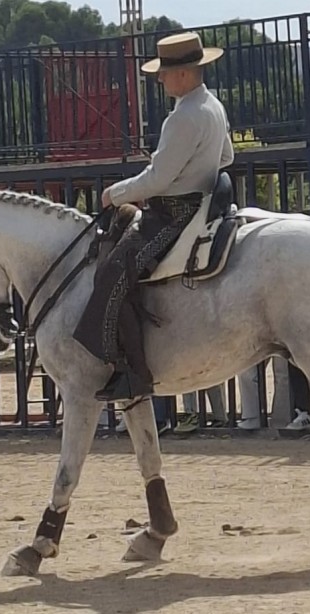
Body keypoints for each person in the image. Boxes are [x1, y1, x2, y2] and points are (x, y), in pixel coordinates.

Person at [74, 32, 233, 402]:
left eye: (164, 72)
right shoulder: (213, 106)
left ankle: (135, 372)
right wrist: (190, 168)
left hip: (173, 215)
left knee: (112, 273)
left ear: (182, 74)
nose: (160, 79)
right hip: (199, 204)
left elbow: (158, 179)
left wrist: (116, 193)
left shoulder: (182, 118)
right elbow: (225, 159)